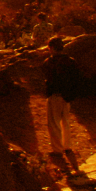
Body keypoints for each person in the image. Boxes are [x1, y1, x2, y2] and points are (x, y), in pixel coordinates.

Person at [41, 37, 81, 173]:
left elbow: (48, 77)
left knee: (53, 122)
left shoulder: (50, 62)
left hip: (55, 94)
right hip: (67, 95)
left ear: (52, 48)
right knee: (65, 121)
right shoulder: (71, 61)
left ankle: (57, 149)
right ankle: (67, 145)